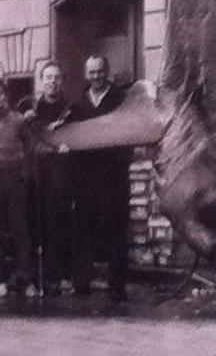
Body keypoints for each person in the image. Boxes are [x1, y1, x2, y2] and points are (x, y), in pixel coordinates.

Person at [68, 55, 132, 302]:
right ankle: (81, 282)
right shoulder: (78, 105)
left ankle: (116, 284)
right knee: (83, 230)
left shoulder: (120, 101)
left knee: (115, 230)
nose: (97, 76)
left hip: (113, 179)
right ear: (87, 75)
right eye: (92, 72)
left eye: (101, 71)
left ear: (108, 71)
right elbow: (68, 136)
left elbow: (129, 134)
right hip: (85, 180)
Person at [24, 62, 73, 296]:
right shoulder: (31, 109)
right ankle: (36, 278)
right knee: (36, 225)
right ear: (41, 81)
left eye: (56, 77)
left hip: (61, 175)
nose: (52, 82)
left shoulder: (70, 109)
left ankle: (59, 276)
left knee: (59, 225)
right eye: (47, 77)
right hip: (36, 174)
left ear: (61, 81)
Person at [0, 80, 36, 297]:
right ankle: (1, 280)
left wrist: (25, 174)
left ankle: (26, 279)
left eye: (1, 94)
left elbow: (30, 148)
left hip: (15, 180)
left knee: (20, 229)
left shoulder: (18, 120)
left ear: (6, 96)